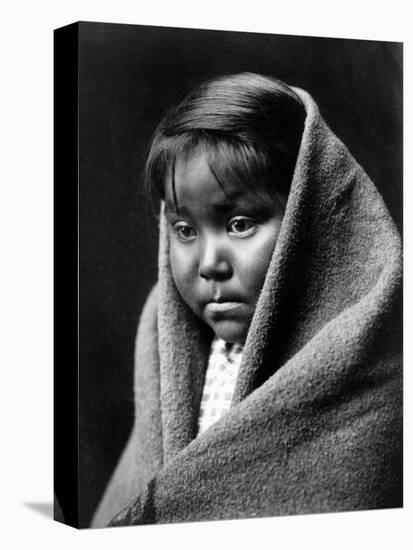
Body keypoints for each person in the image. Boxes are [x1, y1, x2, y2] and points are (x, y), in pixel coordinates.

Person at [91, 73, 402, 528]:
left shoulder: (370, 367)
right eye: (184, 230)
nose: (209, 263)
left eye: (239, 224)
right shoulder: (165, 349)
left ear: (308, 221)